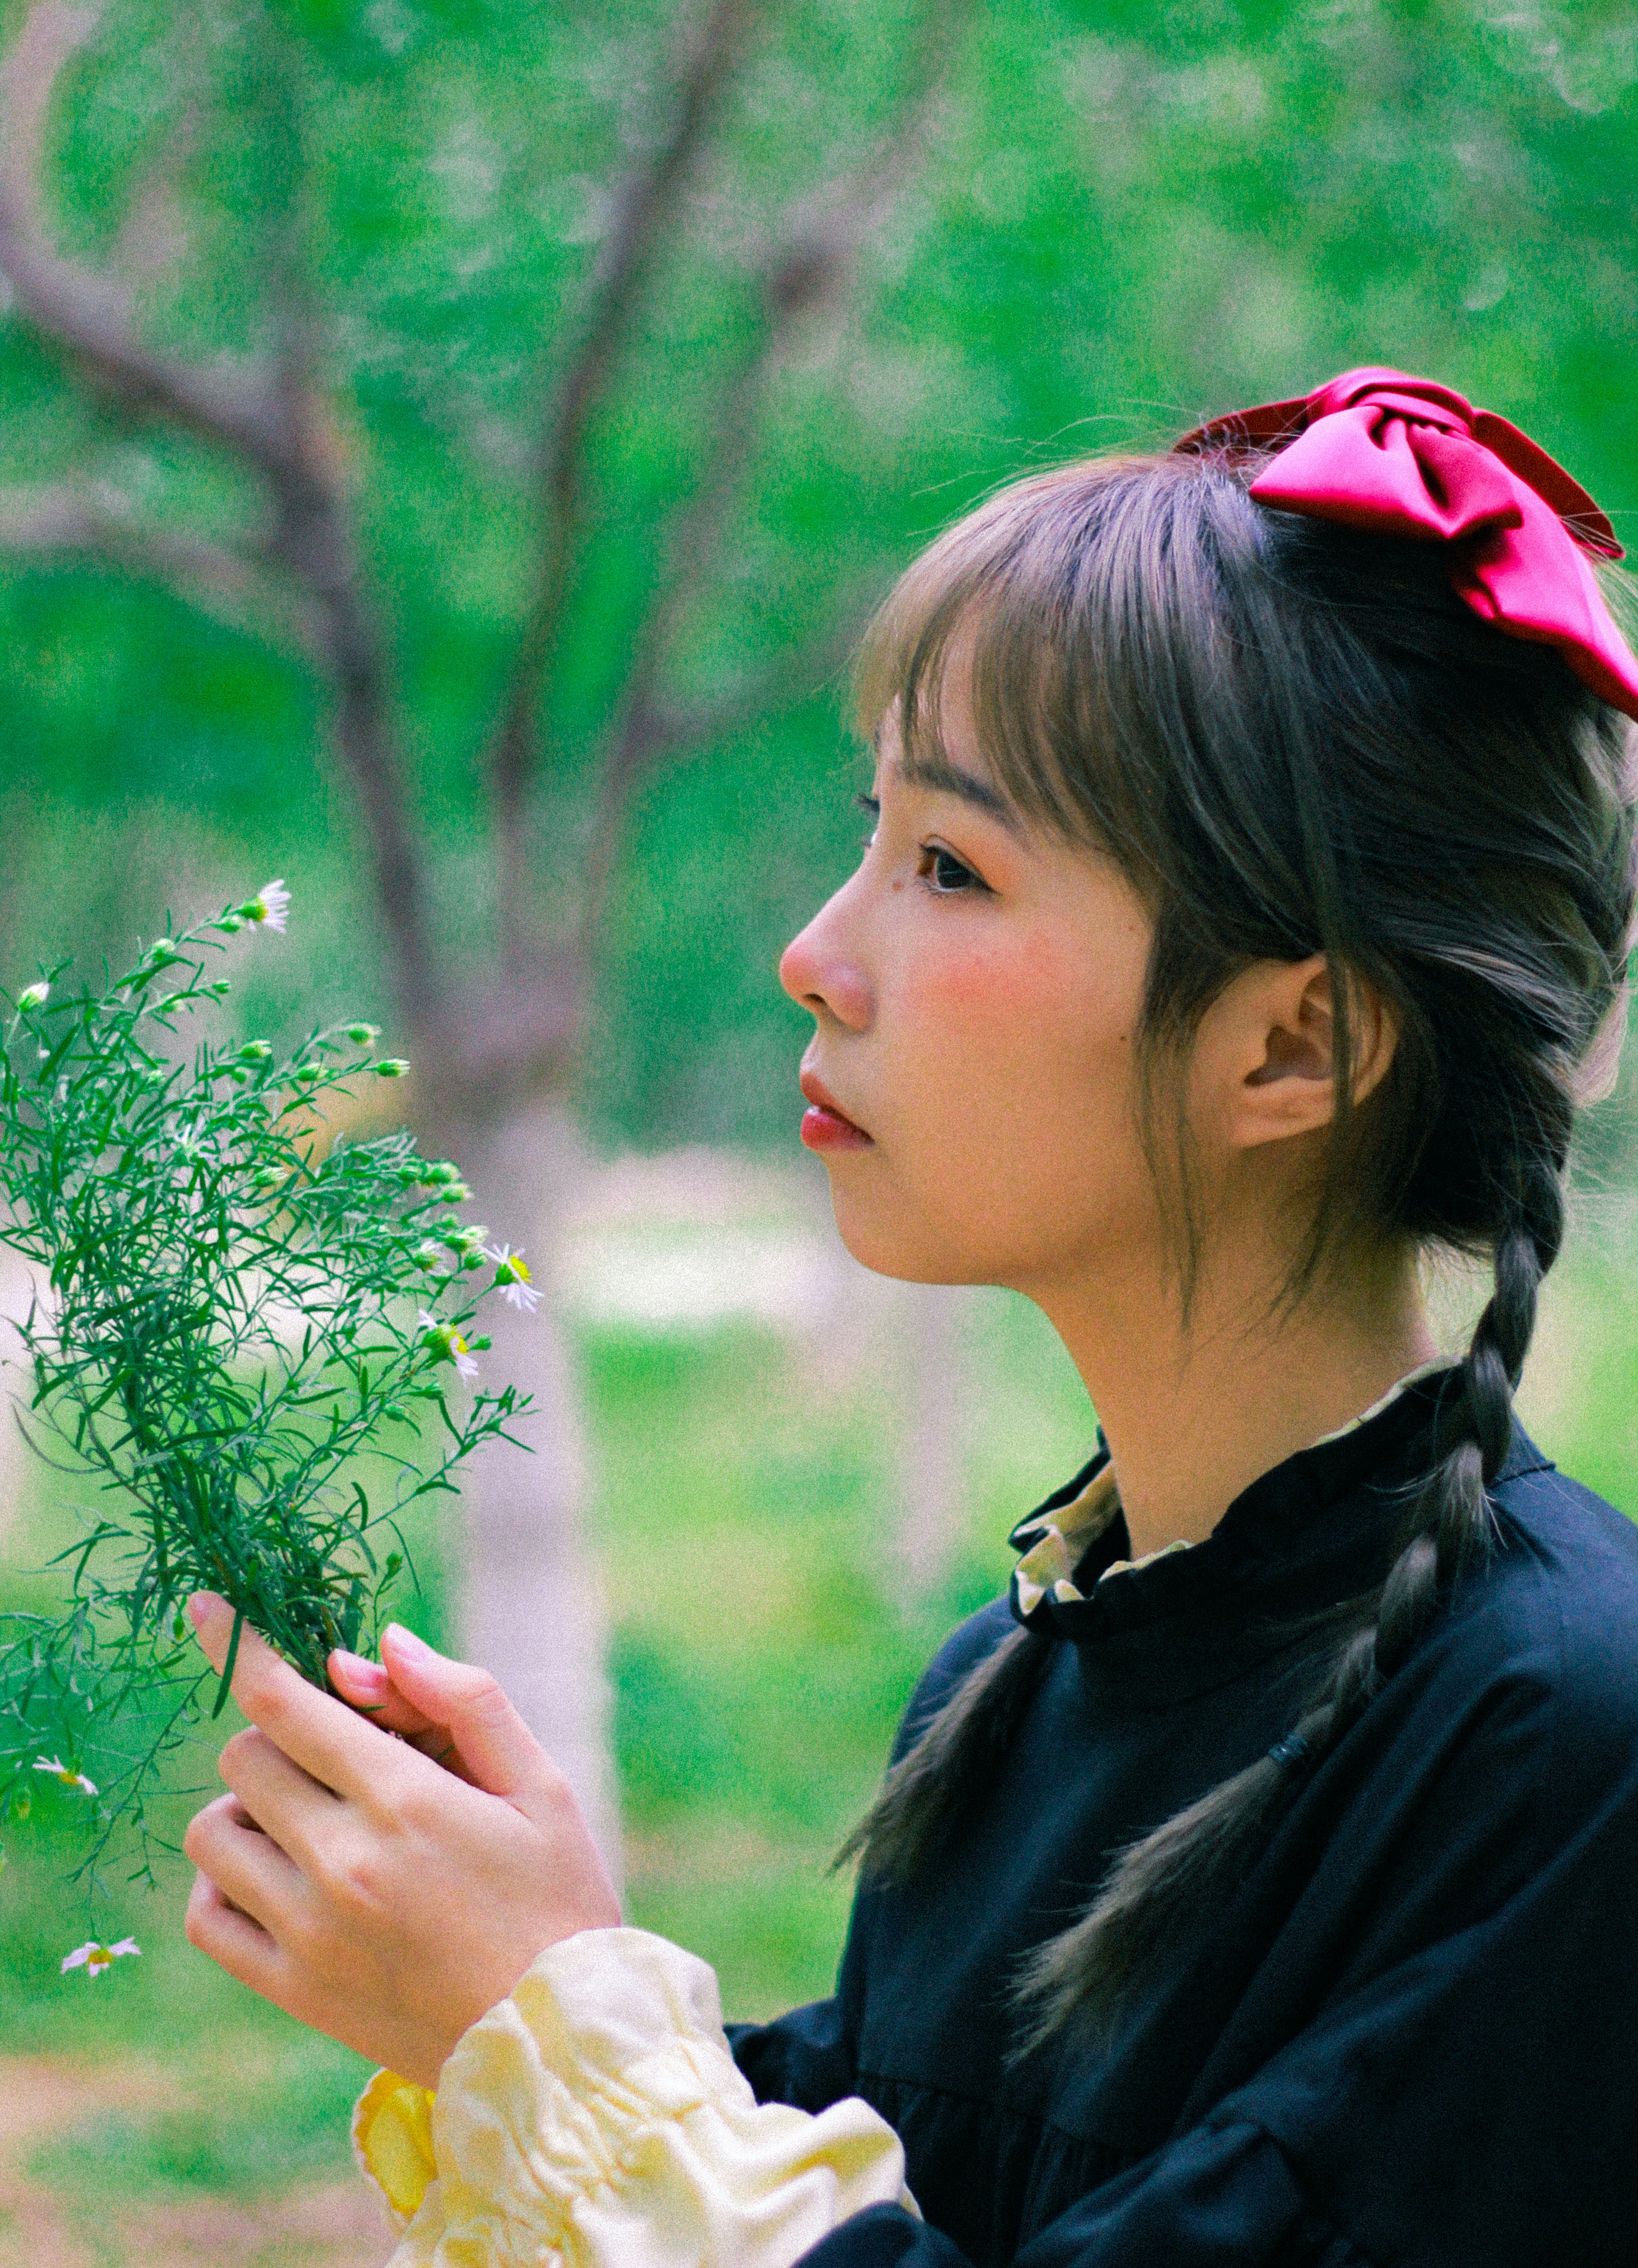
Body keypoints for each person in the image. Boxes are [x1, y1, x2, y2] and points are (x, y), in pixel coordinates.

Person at [183, 367, 1638, 2268]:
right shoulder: (1005, 1693)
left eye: (950, 866)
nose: (815, 954)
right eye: (875, 833)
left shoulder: (1566, 1747)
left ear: (1296, 1043)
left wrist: (552, 2035)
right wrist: (500, 1989)